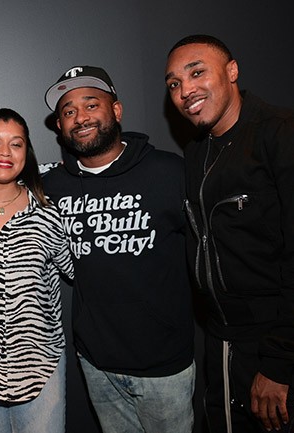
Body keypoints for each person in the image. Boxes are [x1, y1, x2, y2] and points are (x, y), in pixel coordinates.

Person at [164, 35, 294, 433]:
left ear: (232, 72)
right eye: (174, 83)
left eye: (197, 72)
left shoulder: (288, 135)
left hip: (285, 350)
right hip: (224, 343)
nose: (185, 90)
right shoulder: (197, 152)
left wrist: (279, 364)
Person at [40, 66, 196, 433]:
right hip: (97, 364)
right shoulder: (50, 188)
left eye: (91, 104)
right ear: (60, 126)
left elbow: (223, 229)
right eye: (68, 111)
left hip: (164, 366)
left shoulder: (169, 172)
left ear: (117, 110)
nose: (80, 118)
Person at [0, 108, 73, 433]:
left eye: (16, 144)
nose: (5, 152)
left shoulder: (49, 214)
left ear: (26, 152)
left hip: (41, 366)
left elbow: (79, 270)